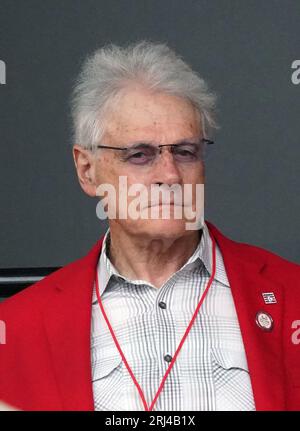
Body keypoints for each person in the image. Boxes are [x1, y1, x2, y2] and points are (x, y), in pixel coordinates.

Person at [0, 41, 299, 411]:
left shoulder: (291, 294)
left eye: (185, 152)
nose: (170, 175)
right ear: (87, 170)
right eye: (139, 155)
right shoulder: (15, 329)